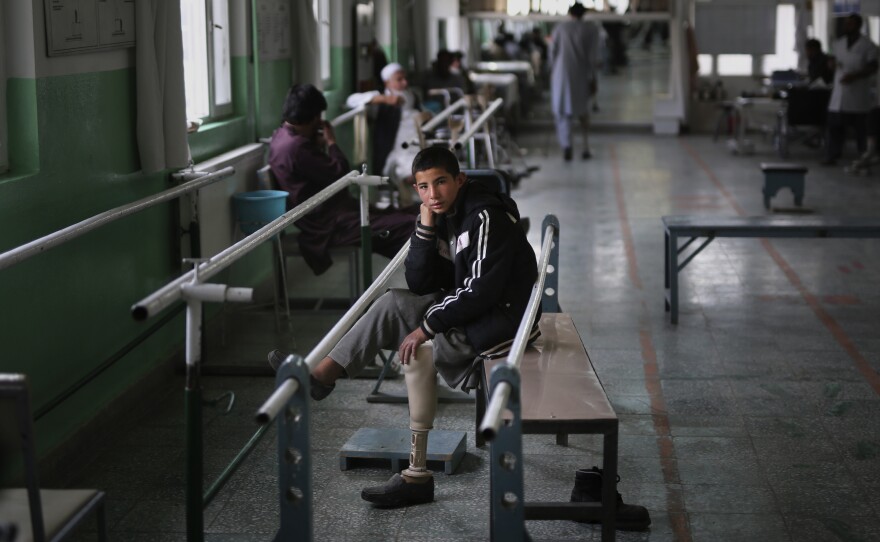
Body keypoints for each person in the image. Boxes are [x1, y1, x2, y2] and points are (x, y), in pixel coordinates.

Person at [270, 146, 539, 507]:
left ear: (459, 180)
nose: (434, 194)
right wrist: (426, 225)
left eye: (441, 182)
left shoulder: (484, 215)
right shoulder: (445, 213)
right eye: (424, 187)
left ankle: (415, 474)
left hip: (501, 327)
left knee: (416, 343)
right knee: (391, 302)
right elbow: (419, 281)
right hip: (481, 315)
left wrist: (425, 327)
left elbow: (479, 291)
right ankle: (320, 377)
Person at [267, 83, 418, 275]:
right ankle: (424, 271)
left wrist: (316, 144)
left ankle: (419, 267)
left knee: (404, 215)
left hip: (332, 213)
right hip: (329, 224)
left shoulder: (281, 137)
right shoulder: (297, 148)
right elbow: (341, 172)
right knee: (408, 224)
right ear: (314, 117)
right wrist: (331, 143)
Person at [346, 63, 426, 205]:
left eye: (405, 79)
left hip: (418, 144)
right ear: (387, 82)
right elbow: (351, 100)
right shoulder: (380, 100)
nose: (405, 83)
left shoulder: (411, 95)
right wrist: (384, 99)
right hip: (397, 151)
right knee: (414, 172)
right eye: (399, 79)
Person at [822, 13, 879, 166]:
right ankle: (832, 156)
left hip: (858, 95)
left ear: (858, 25)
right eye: (846, 23)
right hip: (839, 94)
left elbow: (873, 67)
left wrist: (854, 76)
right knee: (834, 127)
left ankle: (864, 158)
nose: (846, 26)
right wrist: (831, 64)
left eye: (850, 24)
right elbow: (832, 59)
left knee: (861, 130)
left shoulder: (869, 45)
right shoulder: (838, 43)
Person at [549, 2, 601, 161]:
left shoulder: (560, 28)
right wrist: (593, 78)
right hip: (581, 74)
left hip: (561, 75)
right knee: (583, 112)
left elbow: (552, 52)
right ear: (583, 14)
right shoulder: (591, 29)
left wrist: (551, 69)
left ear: (570, 13)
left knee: (562, 112)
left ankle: (567, 146)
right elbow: (594, 56)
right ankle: (585, 147)